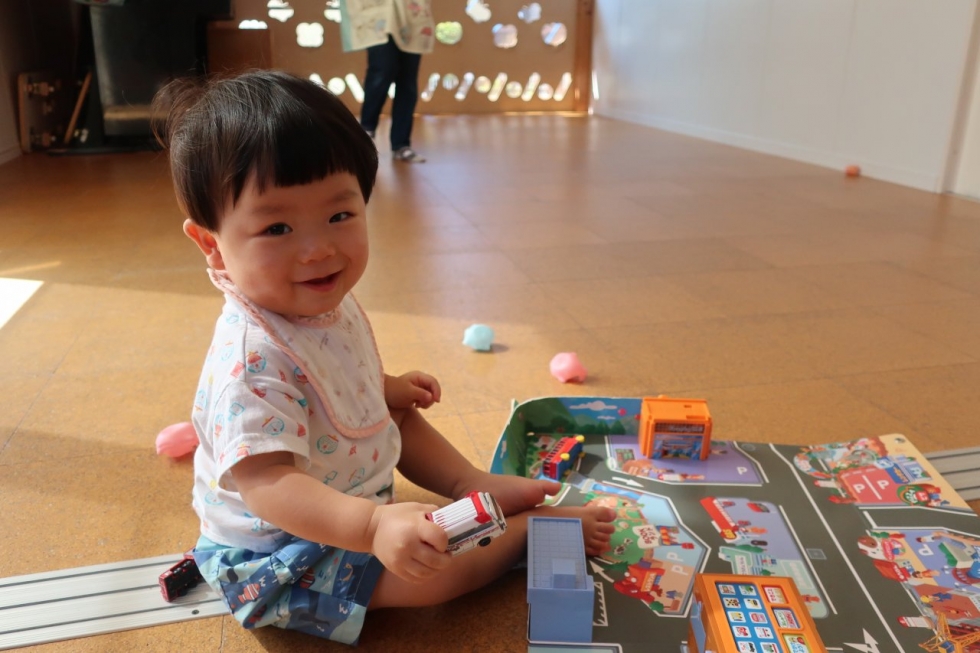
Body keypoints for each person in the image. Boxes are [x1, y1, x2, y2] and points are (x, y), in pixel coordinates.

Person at [151, 70, 615, 646]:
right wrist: (370, 526)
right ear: (213, 244)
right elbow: (266, 482)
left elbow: (330, 384)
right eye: (277, 227)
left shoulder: (317, 299)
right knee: (431, 576)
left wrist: (382, 388)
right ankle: (528, 534)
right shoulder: (250, 361)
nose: (319, 248)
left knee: (397, 415)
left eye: (339, 216)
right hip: (280, 551)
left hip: (346, 501)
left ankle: (470, 484)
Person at [339, 0, 433, 163]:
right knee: (382, 71)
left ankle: (401, 144)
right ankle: (366, 130)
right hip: (378, 12)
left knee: (407, 81)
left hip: (410, 14)